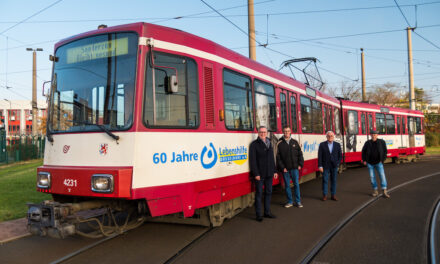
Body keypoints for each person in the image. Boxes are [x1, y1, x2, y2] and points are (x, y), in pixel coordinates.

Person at [249, 126, 278, 222]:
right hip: (260, 174)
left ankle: (267, 212)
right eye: (261, 132)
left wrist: (274, 171)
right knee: (259, 194)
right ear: (258, 133)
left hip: (269, 173)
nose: (263, 134)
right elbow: (252, 161)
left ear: (267, 133)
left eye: (264, 132)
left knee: (269, 192)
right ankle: (258, 215)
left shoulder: (269, 143)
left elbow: (272, 158)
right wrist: (256, 173)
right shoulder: (254, 144)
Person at [276, 126, 304, 208]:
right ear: (283, 132)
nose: (286, 133)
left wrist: (300, 164)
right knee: (287, 186)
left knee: (296, 184)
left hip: (295, 168)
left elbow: (300, 154)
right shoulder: (279, 143)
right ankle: (290, 202)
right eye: (285, 131)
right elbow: (278, 157)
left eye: (288, 131)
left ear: (290, 131)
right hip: (285, 169)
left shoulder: (295, 142)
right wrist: (282, 167)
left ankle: (298, 202)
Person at [361, 130, 390, 198]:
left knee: (382, 176)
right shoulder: (367, 143)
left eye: (375, 134)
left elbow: (385, 151)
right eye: (372, 134)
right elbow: (363, 151)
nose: (373, 136)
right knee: (372, 177)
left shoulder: (382, 142)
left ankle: (384, 190)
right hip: (370, 163)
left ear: (377, 135)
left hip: (379, 162)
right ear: (370, 135)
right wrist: (364, 160)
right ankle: (375, 190)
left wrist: (382, 160)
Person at [318, 131, 342, 201]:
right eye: (328, 136)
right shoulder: (322, 145)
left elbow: (340, 156)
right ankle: (325, 195)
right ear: (326, 137)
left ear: (333, 137)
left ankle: (333, 195)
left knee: (334, 180)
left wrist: (337, 163)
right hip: (325, 166)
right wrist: (320, 166)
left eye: (331, 136)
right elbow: (320, 156)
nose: (330, 137)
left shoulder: (337, 145)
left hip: (334, 166)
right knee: (325, 180)